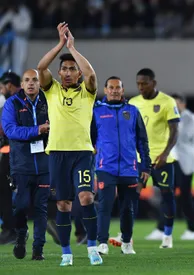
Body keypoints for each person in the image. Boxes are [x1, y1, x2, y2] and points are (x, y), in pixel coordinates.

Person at [36, 23, 102, 266]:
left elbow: (92, 75)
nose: (66, 72)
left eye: (71, 69)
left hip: (82, 153)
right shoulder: (51, 90)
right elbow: (41, 67)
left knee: (85, 197)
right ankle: (66, 253)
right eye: (63, 69)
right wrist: (60, 45)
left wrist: (73, 48)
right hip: (57, 154)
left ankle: (93, 248)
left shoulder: (87, 91)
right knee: (63, 203)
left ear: (78, 74)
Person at [92, 76, 151, 255]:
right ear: (105, 89)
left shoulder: (132, 111)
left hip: (129, 168)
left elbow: (142, 141)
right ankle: (102, 242)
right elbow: (89, 138)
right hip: (105, 167)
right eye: (111, 87)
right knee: (105, 205)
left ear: (123, 91)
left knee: (128, 207)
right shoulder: (96, 111)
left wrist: (146, 167)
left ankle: (126, 242)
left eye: (118, 87)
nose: (115, 90)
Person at [1, 69, 49, 260]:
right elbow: (10, 130)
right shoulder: (12, 103)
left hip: (45, 164)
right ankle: (21, 235)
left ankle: (38, 249)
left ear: (40, 83)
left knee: (41, 208)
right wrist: (38, 130)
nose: (31, 83)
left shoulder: (48, 101)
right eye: (27, 80)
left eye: (35, 80)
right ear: (21, 84)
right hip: (21, 165)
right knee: (20, 207)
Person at [129, 68, 180, 249]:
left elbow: (174, 131)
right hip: (140, 159)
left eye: (144, 83)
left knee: (167, 195)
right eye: (138, 84)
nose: (141, 87)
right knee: (132, 195)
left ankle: (167, 235)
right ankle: (127, 235)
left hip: (161, 159)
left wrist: (165, 153)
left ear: (154, 83)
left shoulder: (167, 102)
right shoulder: (133, 103)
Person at [171, 93, 194, 241]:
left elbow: (184, 136)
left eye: (177, 104)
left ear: (183, 104)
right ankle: (162, 228)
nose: (175, 107)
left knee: (185, 195)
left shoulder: (190, 118)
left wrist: (172, 125)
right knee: (167, 193)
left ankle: (192, 229)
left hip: (186, 162)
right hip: (173, 160)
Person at [0, 70, 20, 245]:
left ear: (9, 86)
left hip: (15, 153)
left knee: (8, 190)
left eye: (2, 87)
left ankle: (13, 229)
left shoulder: (15, 103)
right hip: (10, 152)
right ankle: (11, 228)